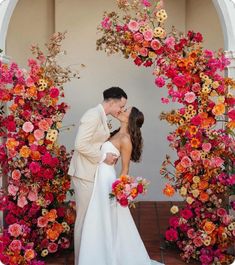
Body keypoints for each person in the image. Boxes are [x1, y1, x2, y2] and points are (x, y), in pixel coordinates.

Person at [78, 107, 164, 265]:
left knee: (106, 217)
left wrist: (120, 191)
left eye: (126, 110)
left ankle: (107, 255)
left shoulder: (125, 139)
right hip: (99, 176)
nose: (121, 110)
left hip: (107, 181)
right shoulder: (116, 132)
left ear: (129, 118)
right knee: (99, 216)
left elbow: (125, 169)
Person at [68, 87, 128, 265]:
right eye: (121, 106)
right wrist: (103, 156)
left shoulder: (101, 116)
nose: (121, 110)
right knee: (84, 220)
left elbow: (95, 141)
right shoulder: (93, 115)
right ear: (111, 102)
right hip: (84, 173)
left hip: (91, 172)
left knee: (89, 219)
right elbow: (80, 144)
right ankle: (80, 261)